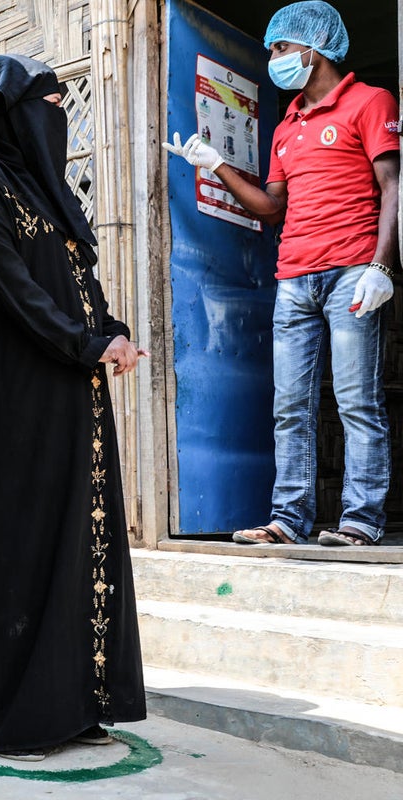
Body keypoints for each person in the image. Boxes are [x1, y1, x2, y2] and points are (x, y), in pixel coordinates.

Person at [0, 54, 148, 760]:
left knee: (77, 544)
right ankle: (14, 714)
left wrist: (110, 332)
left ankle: (72, 703)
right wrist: (86, 345)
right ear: (9, 114)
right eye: (45, 103)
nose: (57, 114)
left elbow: (78, 280)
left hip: (71, 397)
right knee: (17, 544)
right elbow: (14, 291)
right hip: (11, 403)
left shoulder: (53, 194)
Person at [163, 1, 399, 547]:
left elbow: (395, 187)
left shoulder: (370, 101)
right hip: (294, 277)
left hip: (352, 273)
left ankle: (360, 522)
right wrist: (213, 162)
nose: (273, 58)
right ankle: (287, 521)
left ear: (311, 50)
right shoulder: (286, 126)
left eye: (280, 48)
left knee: (356, 400)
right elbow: (270, 208)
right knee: (289, 404)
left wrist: (383, 266)